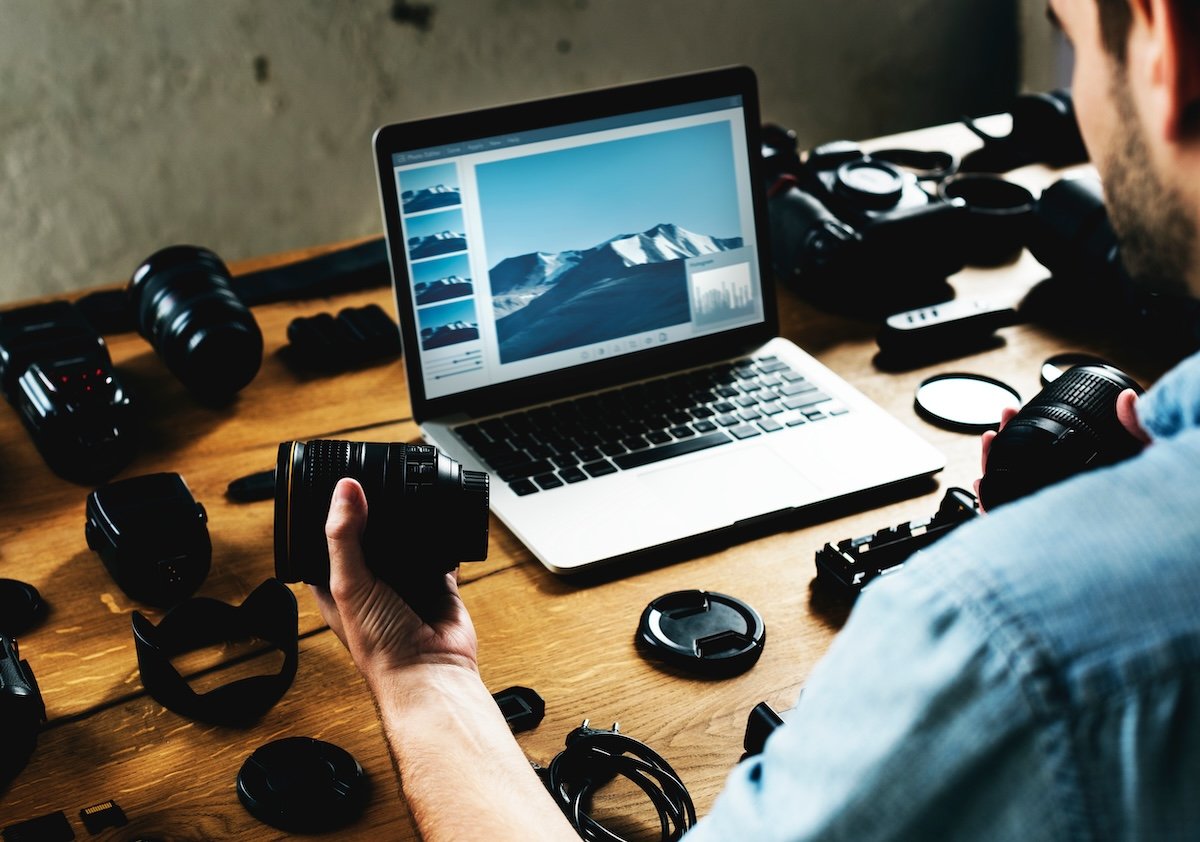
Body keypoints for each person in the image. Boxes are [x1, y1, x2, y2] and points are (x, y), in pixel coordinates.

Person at [313, 0, 1200, 838]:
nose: (1077, 93)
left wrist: (421, 672)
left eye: (1074, 38)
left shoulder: (990, 642)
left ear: (1162, 42)